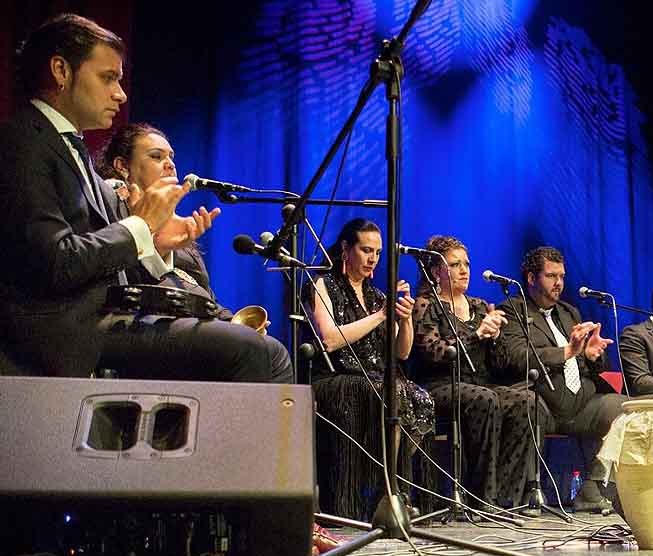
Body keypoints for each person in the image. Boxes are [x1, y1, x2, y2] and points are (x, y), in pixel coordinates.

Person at [0, 14, 273, 383]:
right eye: (107, 77)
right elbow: (57, 262)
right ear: (61, 71)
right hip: (59, 334)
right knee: (249, 349)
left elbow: (118, 247)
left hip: (99, 323)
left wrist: (157, 240)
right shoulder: (22, 143)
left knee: (267, 349)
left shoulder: (71, 149)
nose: (121, 94)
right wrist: (140, 225)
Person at [97, 122, 291, 383]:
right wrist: (158, 247)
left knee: (272, 351)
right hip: (140, 326)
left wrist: (234, 320)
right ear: (122, 166)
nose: (170, 164)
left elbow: (202, 296)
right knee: (257, 351)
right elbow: (116, 276)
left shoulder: (181, 229)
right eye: (156, 156)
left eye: (171, 157)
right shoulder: (112, 205)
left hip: (192, 326)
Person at [305, 218, 435, 520]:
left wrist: (405, 320)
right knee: (388, 393)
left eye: (377, 252)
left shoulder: (377, 296)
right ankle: (385, 492)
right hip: (335, 377)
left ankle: (393, 490)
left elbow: (401, 352)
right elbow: (330, 339)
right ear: (346, 249)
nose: (372, 258)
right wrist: (380, 316)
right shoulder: (322, 283)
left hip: (374, 378)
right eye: (366, 250)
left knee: (417, 396)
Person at [410, 235, 546, 508]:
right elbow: (432, 353)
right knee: (484, 399)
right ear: (436, 271)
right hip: (439, 384)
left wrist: (495, 337)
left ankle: (506, 497)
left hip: (482, 384)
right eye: (455, 264)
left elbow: (500, 363)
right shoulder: (426, 305)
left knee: (527, 402)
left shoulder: (480, 306)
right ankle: (480, 496)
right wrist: (477, 334)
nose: (464, 270)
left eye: (467, 264)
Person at [492, 246, 628, 513]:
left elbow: (591, 362)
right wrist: (568, 352)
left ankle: (593, 487)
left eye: (562, 276)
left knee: (625, 411)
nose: (559, 283)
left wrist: (590, 354)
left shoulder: (569, 313)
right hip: (545, 400)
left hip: (581, 403)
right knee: (528, 407)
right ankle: (524, 496)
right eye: (551, 276)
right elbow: (518, 357)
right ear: (531, 278)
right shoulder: (513, 310)